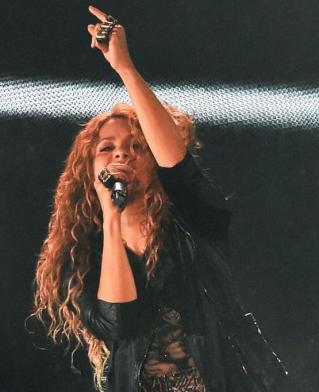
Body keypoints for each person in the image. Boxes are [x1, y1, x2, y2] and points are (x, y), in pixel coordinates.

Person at [32, 5, 288, 392]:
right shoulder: (81, 253)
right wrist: (111, 216)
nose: (121, 154)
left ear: (153, 160)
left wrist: (125, 69)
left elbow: (178, 165)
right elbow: (118, 321)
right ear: (87, 169)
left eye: (137, 146)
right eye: (107, 148)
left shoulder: (192, 218)